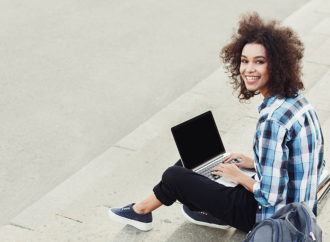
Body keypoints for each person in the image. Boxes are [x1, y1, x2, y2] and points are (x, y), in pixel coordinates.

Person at [108, 13, 325, 233]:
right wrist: (254, 163)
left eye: (259, 62)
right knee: (190, 163)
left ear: (277, 65)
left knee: (174, 176)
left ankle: (141, 211)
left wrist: (238, 176)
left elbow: (270, 196)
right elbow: (309, 164)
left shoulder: (272, 120)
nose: (248, 69)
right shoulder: (298, 102)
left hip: (267, 217)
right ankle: (171, 209)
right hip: (299, 211)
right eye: (244, 60)